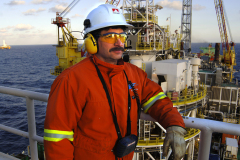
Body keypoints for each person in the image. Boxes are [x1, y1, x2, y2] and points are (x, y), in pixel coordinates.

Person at [44, 4, 187, 160]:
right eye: (111, 36)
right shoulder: (71, 80)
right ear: (92, 41)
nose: (119, 42)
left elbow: (157, 100)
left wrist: (175, 126)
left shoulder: (133, 73)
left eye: (123, 36)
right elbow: (57, 138)